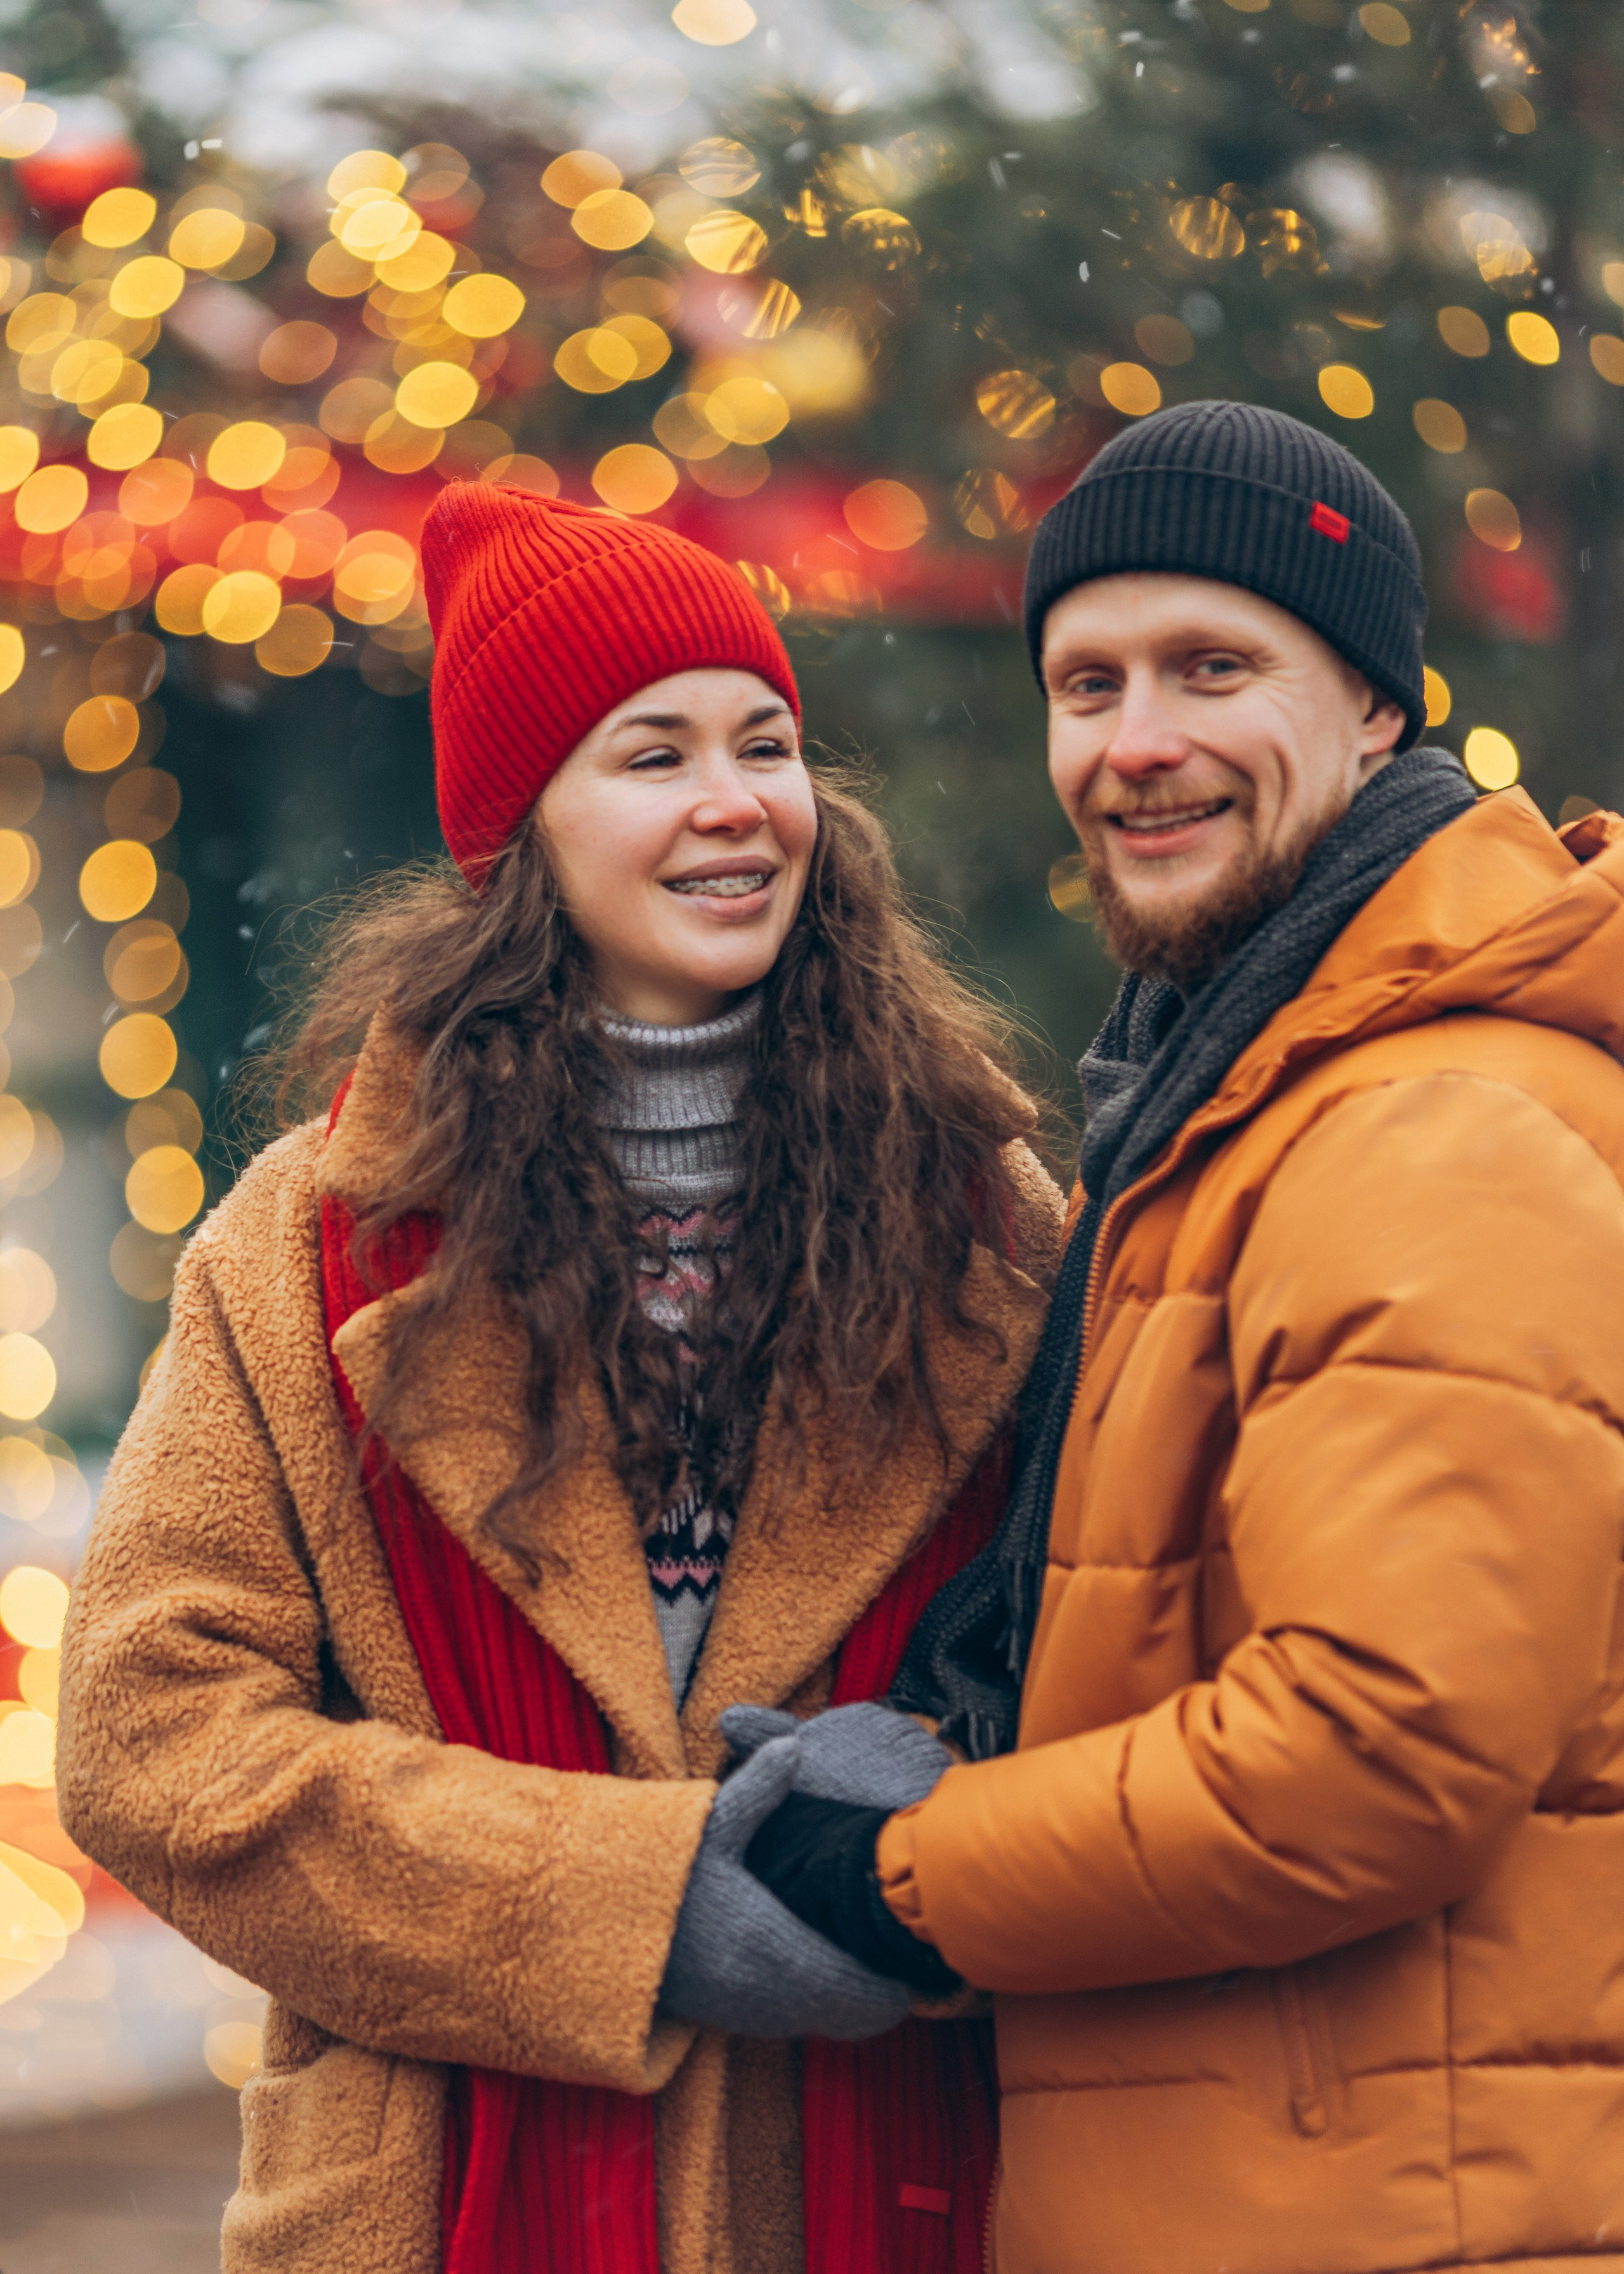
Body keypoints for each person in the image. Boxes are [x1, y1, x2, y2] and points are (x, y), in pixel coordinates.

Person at [55, 488, 1063, 2274]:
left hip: (897, 2168)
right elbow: (153, 1740)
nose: (736, 800)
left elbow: (1109, 1641)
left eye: (766, 743)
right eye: (653, 755)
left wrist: (942, 1794)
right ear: (521, 834)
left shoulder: (980, 1215)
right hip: (443, 2199)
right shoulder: (309, 1242)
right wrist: (642, 1904)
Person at [742, 401, 1624, 2271]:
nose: (1135, 744)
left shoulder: (1427, 1125)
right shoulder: (1233, 1100)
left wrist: (900, 1882)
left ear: (1376, 707)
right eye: (1089, 684)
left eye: (1213, 667)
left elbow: (1375, 1750)